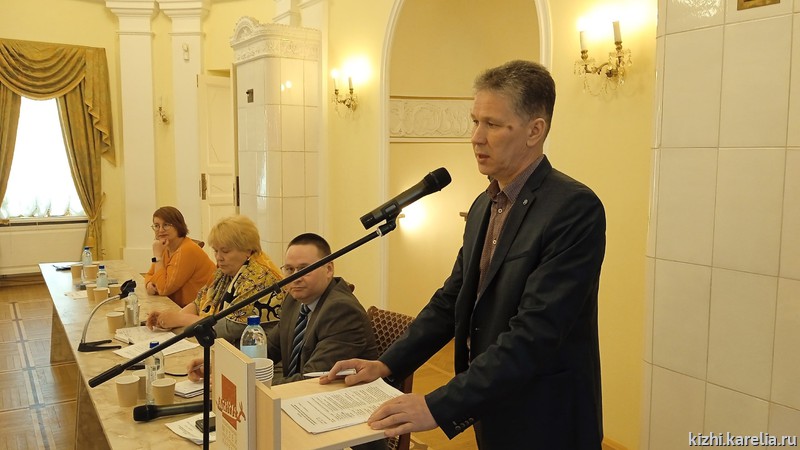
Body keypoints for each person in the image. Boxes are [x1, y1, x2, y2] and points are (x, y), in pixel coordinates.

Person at [322, 60, 606, 449]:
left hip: (547, 415)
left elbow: (536, 333)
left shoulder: (573, 208)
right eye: (474, 122)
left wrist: (437, 405)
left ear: (535, 130)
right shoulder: (483, 205)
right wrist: (388, 363)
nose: (476, 137)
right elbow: (452, 300)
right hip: (493, 407)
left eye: (492, 124)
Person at [187, 232, 379, 386]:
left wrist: (242, 381)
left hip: (333, 406)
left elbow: (311, 380)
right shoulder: (294, 301)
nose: (296, 277)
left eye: (304, 269)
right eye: (289, 269)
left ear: (328, 269)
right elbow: (267, 350)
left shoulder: (341, 311)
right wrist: (220, 366)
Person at [146, 215, 284, 342]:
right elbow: (200, 301)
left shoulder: (260, 278)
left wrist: (180, 319)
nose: (218, 257)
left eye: (225, 251)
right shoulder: (227, 271)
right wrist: (168, 320)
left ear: (247, 250)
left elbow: (224, 330)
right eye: (216, 251)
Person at [144, 206, 216, 307]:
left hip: (201, 309)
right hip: (181, 306)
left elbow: (163, 289)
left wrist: (157, 256)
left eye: (166, 225)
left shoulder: (187, 249)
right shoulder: (165, 247)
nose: (160, 230)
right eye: (156, 226)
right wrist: (148, 284)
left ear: (178, 226)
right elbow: (149, 274)